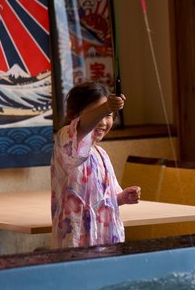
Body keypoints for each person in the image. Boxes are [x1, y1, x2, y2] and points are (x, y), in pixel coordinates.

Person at [50, 81, 141, 249]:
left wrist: (123, 197)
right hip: (75, 236)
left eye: (108, 115)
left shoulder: (102, 154)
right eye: (97, 114)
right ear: (72, 115)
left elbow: (108, 197)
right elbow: (83, 126)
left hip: (106, 234)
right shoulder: (66, 140)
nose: (103, 121)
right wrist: (106, 108)